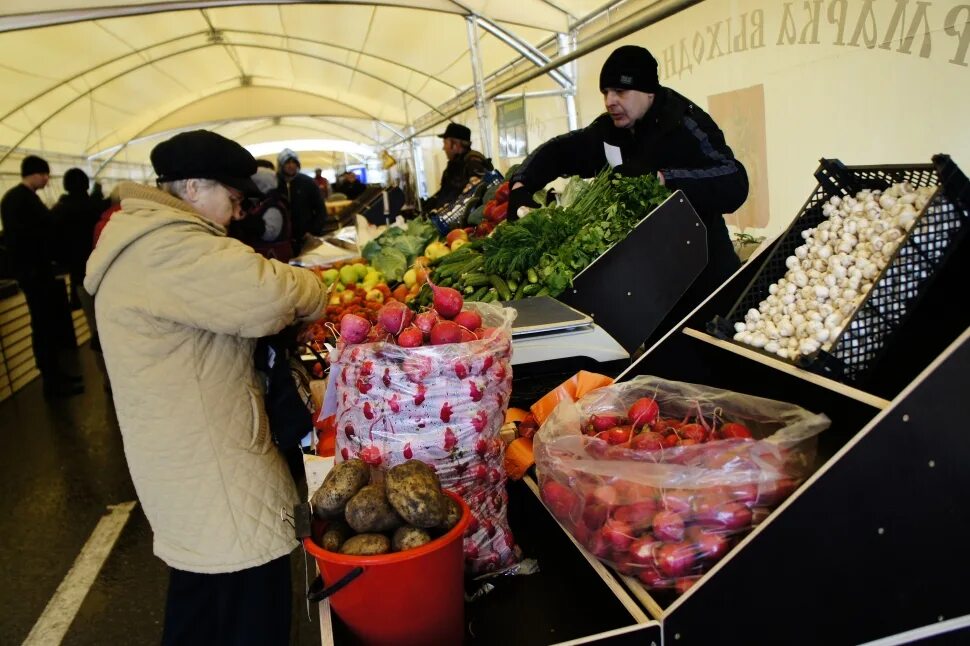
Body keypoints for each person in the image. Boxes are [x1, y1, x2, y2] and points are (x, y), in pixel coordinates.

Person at [84, 130, 328, 646]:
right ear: (193, 187)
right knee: (250, 595)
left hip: (183, 458)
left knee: (200, 598)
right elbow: (269, 295)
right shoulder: (169, 247)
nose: (238, 213)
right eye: (234, 198)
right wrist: (316, 287)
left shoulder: (141, 237)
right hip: (215, 464)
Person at [507, 45, 748, 340]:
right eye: (606, 92)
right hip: (654, 290)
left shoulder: (686, 124)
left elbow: (734, 179)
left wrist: (661, 178)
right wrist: (521, 184)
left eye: (620, 92)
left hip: (707, 282)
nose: (610, 101)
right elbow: (561, 150)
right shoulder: (610, 131)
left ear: (648, 91)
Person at [1, 155, 84, 397]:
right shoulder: (21, 199)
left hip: (33, 272)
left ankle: (55, 376)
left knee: (45, 325)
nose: (47, 179)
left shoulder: (17, 199)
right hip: (34, 273)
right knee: (44, 325)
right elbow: (37, 232)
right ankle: (52, 381)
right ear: (34, 174)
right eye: (44, 174)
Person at [50, 168, 102, 310]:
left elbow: (54, 243)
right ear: (86, 184)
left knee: (91, 313)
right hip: (103, 266)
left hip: (79, 271)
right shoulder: (97, 206)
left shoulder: (60, 211)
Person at [422, 122, 492, 211]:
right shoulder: (453, 165)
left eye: (445, 143)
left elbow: (478, 192)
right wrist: (429, 204)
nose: (443, 148)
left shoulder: (473, 161)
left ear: (455, 144)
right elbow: (445, 192)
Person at [276, 148, 326, 255]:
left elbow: (320, 209)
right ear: (281, 165)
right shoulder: (275, 183)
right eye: (287, 162)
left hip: (305, 238)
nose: (291, 165)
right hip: (281, 240)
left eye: (294, 162)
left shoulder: (307, 182)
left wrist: (314, 231)